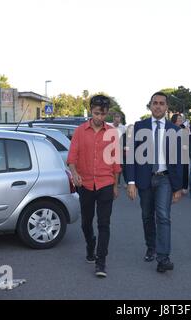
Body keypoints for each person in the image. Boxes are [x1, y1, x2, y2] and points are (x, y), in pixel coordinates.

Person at [125, 92, 183, 273]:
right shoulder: (138, 127)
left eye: (162, 103)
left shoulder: (174, 130)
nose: (158, 106)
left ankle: (163, 257)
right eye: (155, 103)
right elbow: (130, 157)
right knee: (147, 216)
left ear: (166, 107)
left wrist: (178, 187)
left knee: (163, 216)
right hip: (144, 179)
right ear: (150, 106)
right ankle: (151, 247)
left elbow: (179, 160)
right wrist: (131, 182)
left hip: (165, 178)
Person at [67, 94, 122, 278]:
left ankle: (101, 262)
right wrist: (74, 174)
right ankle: (91, 244)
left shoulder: (112, 133)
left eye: (103, 114)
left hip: (106, 183)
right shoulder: (80, 131)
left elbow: (115, 162)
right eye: (97, 113)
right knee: (86, 223)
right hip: (86, 184)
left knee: (104, 223)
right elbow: (72, 157)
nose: (100, 117)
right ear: (91, 111)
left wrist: (115, 185)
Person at [171, 114, 189, 195]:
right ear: (174, 121)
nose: (180, 121)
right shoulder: (170, 129)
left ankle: (184, 187)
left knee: (185, 169)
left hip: (184, 151)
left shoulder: (184, 128)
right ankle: (175, 186)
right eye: (178, 119)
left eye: (181, 119)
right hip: (173, 152)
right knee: (174, 169)